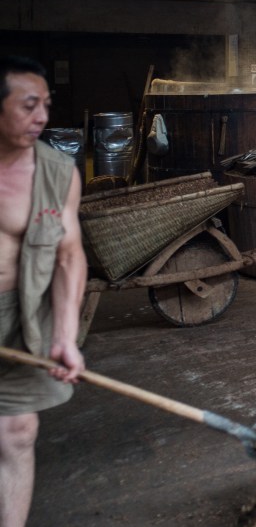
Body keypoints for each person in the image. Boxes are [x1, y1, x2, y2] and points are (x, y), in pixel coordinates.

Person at [0, 56, 86, 527]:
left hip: (22, 315)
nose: (43, 118)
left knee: (16, 431)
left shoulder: (57, 173)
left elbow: (69, 256)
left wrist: (65, 337)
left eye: (46, 105)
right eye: (29, 105)